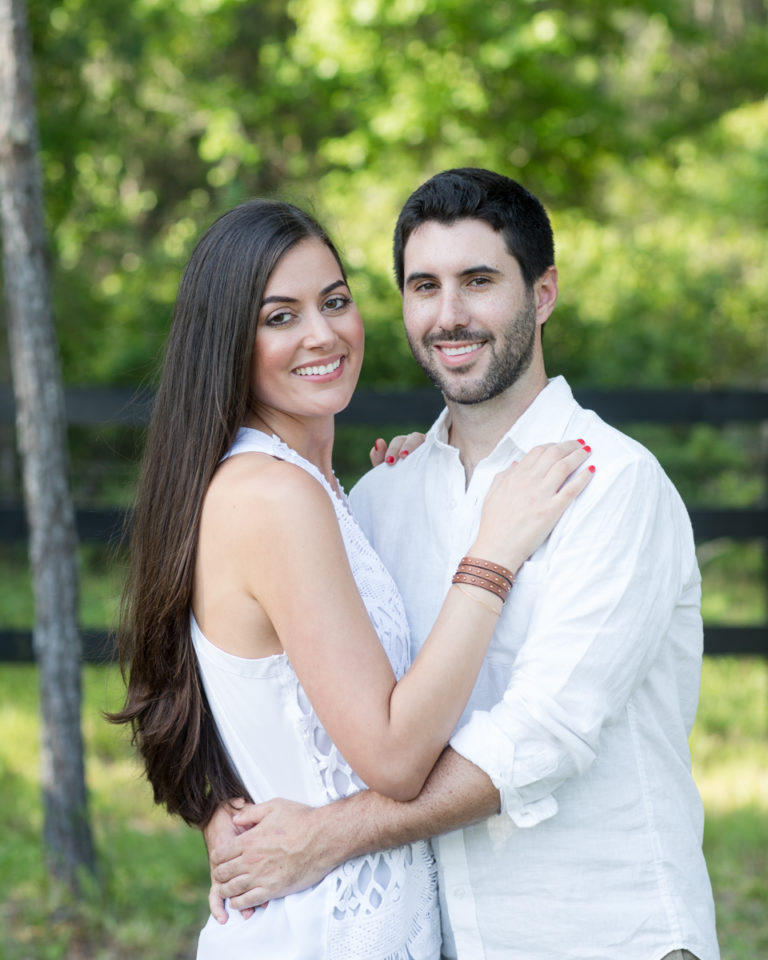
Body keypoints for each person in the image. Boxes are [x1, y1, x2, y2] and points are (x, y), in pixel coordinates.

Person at [205, 170, 720, 960]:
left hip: (607, 934)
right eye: (424, 286)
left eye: (478, 282)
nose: (450, 316)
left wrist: (325, 837)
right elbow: (289, 690)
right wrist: (233, 817)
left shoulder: (611, 483)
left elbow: (541, 735)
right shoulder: (380, 499)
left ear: (542, 293)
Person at [108, 196, 594, 959]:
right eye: (279, 317)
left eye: (335, 301)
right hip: (325, 929)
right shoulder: (273, 496)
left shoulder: (310, 490)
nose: (322, 333)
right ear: (228, 340)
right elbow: (396, 758)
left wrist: (411, 489)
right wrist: (492, 551)